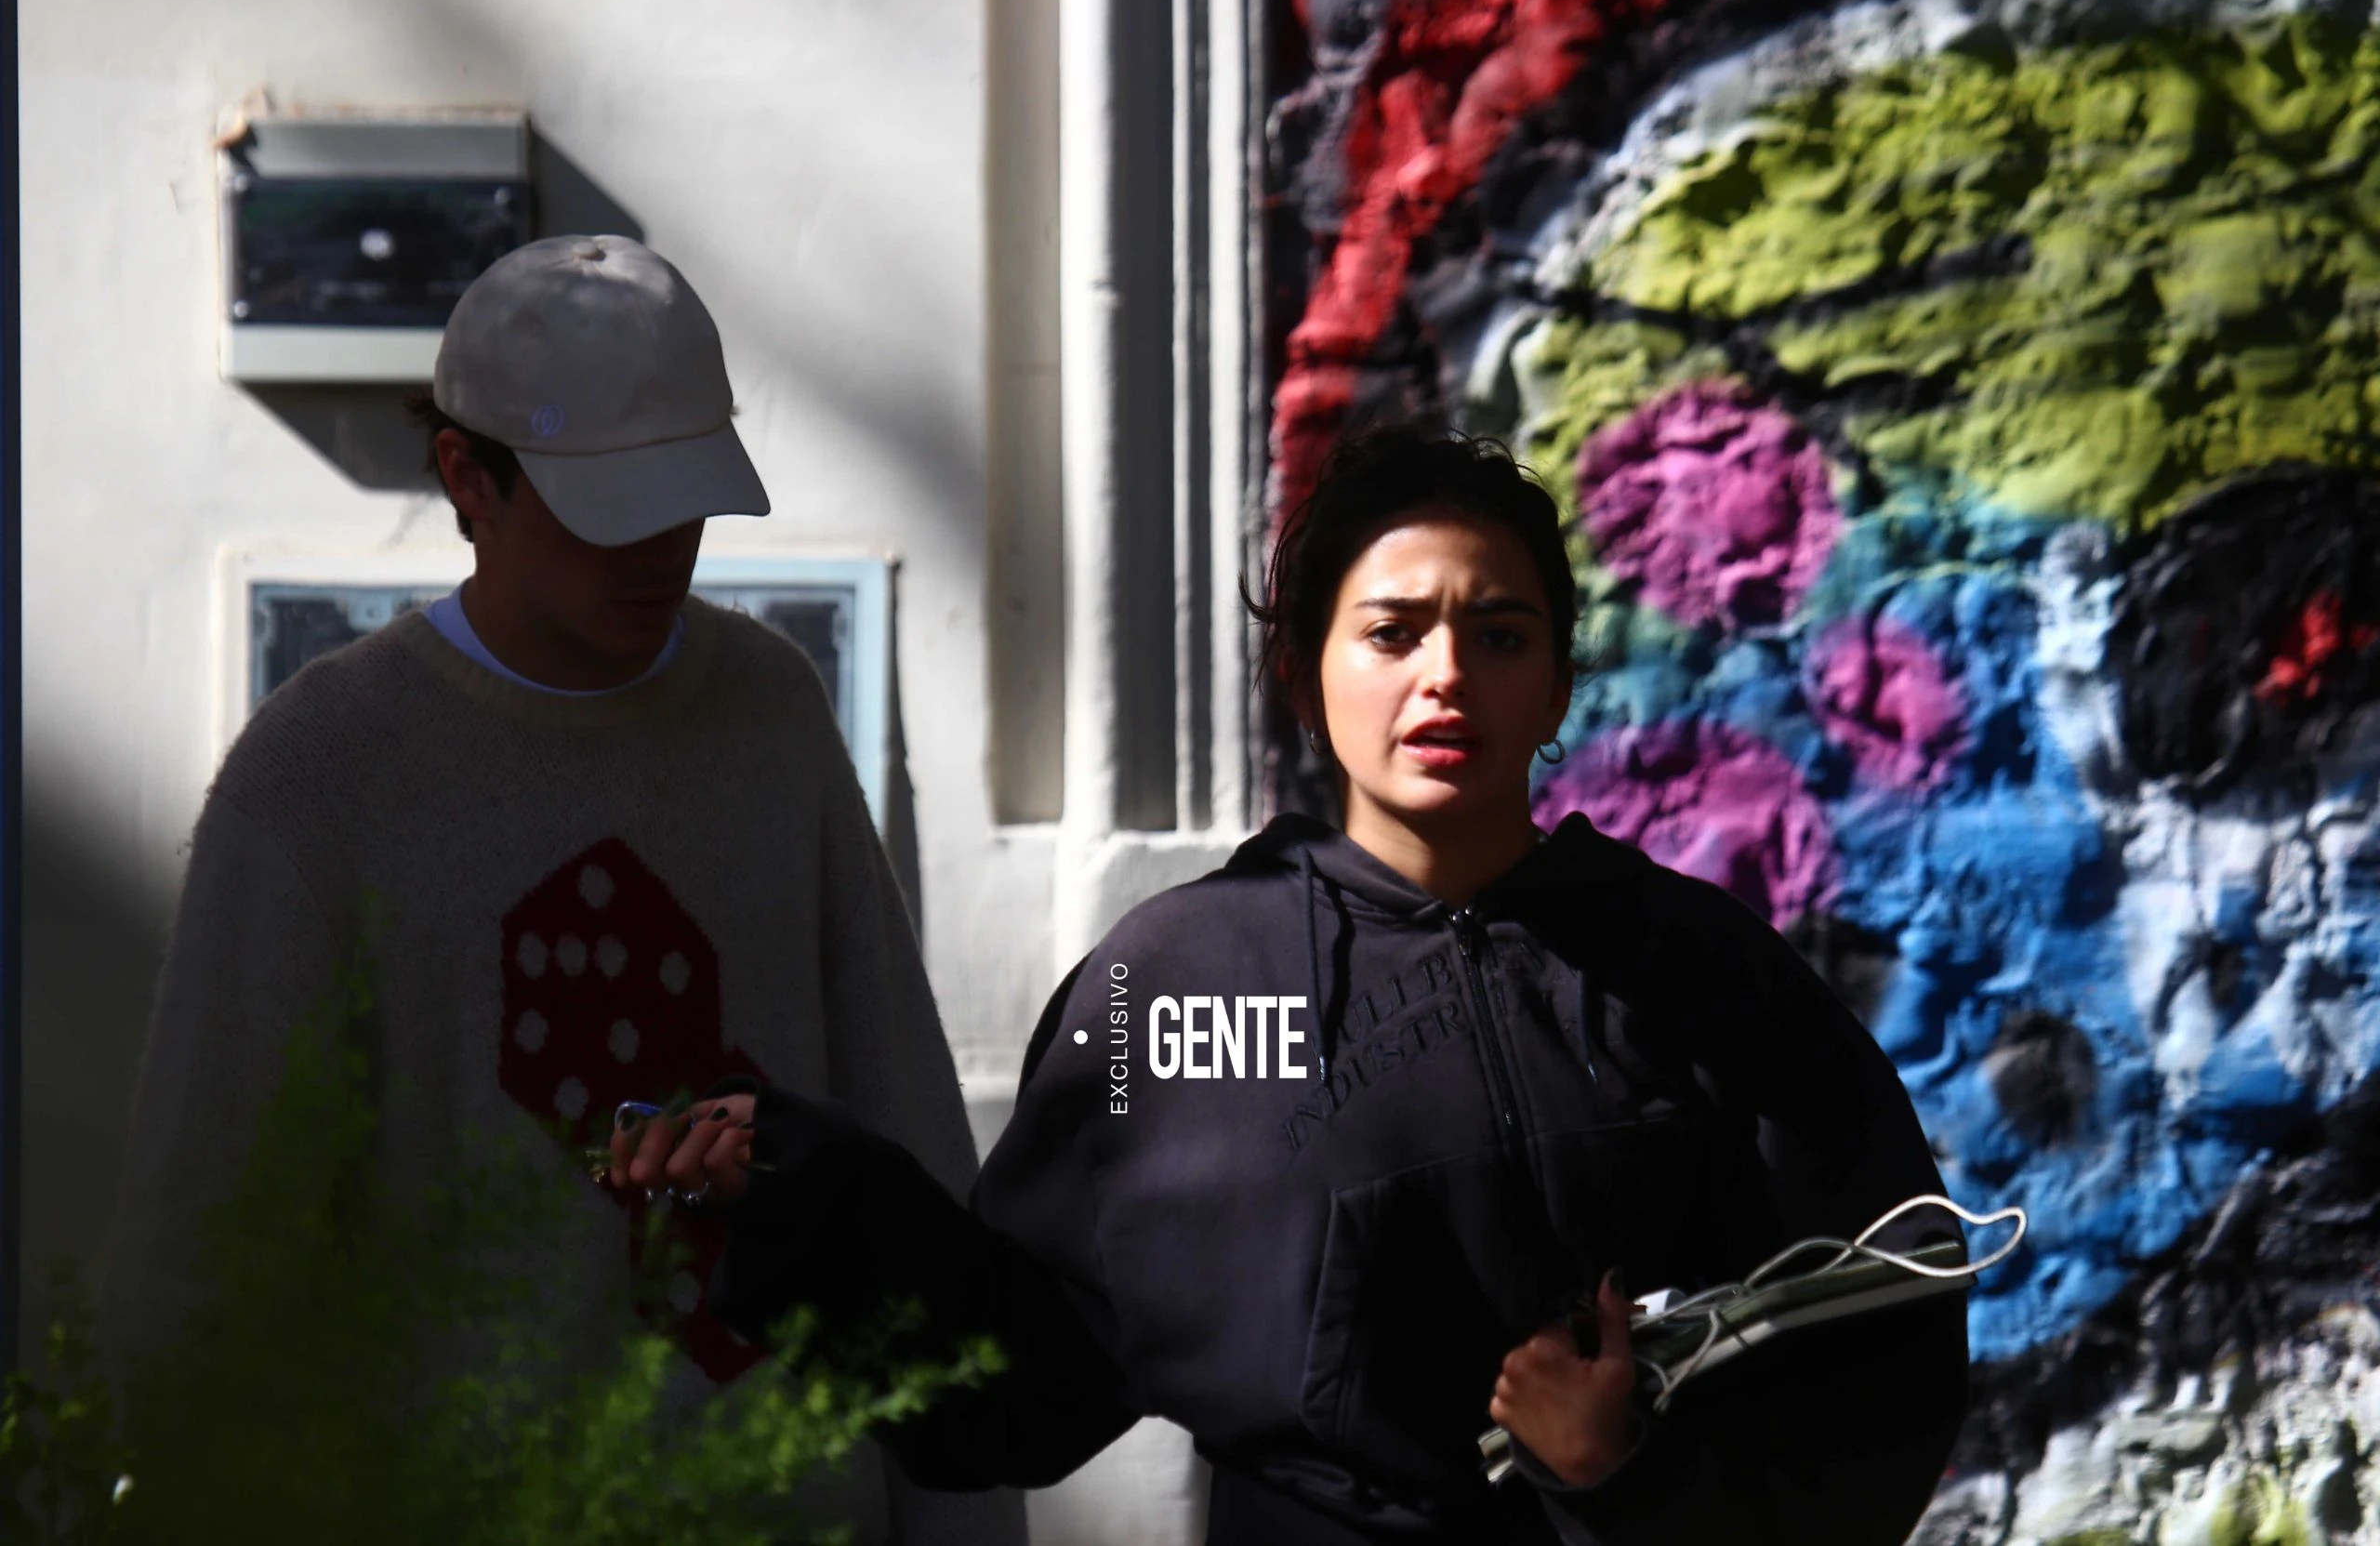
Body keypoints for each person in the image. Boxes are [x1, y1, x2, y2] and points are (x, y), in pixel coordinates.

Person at [619, 425, 1970, 1543]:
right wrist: (800, 1196)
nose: (1446, 676)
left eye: (1499, 635)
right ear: (1303, 666)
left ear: (1558, 682)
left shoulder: (1698, 974)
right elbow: (1018, 1374)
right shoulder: (1178, 992)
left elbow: (1883, 1341)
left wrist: (1631, 1477)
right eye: (1393, 632)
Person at [101, 233, 1025, 1546]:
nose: (659, 550)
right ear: (466, 476)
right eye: (609, 509)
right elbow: (197, 1276)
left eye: (685, 500)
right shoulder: (315, 780)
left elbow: (908, 1153)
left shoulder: (769, 715)